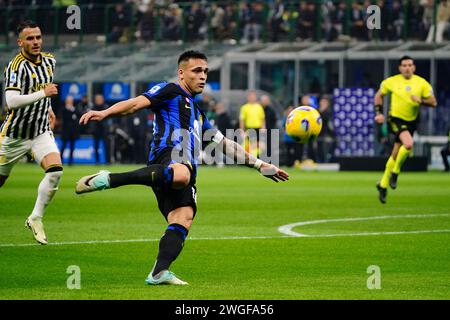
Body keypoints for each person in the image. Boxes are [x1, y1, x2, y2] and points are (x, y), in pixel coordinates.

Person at [74, 50, 289, 285]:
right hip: (167, 157)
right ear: (181, 73)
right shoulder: (169, 90)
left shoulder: (198, 113)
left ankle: (159, 272)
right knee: (182, 174)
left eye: (206, 71)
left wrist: (260, 164)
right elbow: (136, 103)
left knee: (183, 217)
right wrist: (105, 112)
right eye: (197, 71)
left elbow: (226, 144)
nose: (203, 76)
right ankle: (110, 179)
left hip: (179, 171)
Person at [0, 20, 62, 245]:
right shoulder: (15, 66)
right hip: (13, 136)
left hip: (40, 132)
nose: (35, 42)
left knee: (55, 171)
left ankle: (35, 218)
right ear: (20, 42)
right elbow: (11, 100)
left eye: (38, 37)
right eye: (30, 38)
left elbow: (43, 88)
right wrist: (44, 95)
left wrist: (49, 109)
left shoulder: (50, 61)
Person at [375, 55, 437, 204]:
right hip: (395, 119)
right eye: (404, 65)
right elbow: (379, 95)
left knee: (396, 153)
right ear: (400, 68)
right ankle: (395, 173)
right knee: (408, 144)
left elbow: (433, 102)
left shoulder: (421, 83)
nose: (407, 68)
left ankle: (383, 184)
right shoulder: (392, 81)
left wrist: (421, 100)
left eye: (410, 65)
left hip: (411, 122)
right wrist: (378, 113)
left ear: (414, 67)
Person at [239, 90, 265, 157]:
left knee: (258, 145)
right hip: (249, 128)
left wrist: (263, 128)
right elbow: (242, 120)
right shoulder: (244, 107)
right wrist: (242, 130)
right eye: (250, 96)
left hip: (258, 128)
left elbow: (262, 119)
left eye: (253, 97)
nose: (252, 98)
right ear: (248, 97)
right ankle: (248, 157)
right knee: (249, 144)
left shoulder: (259, 107)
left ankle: (254, 157)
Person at [60, 95, 81, 165]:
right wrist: (72, 114)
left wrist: (73, 113)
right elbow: (65, 118)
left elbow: (78, 117)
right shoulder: (63, 109)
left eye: (71, 101)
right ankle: (60, 160)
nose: (70, 102)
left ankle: (71, 161)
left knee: (72, 147)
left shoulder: (75, 109)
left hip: (73, 131)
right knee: (63, 146)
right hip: (65, 131)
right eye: (68, 101)